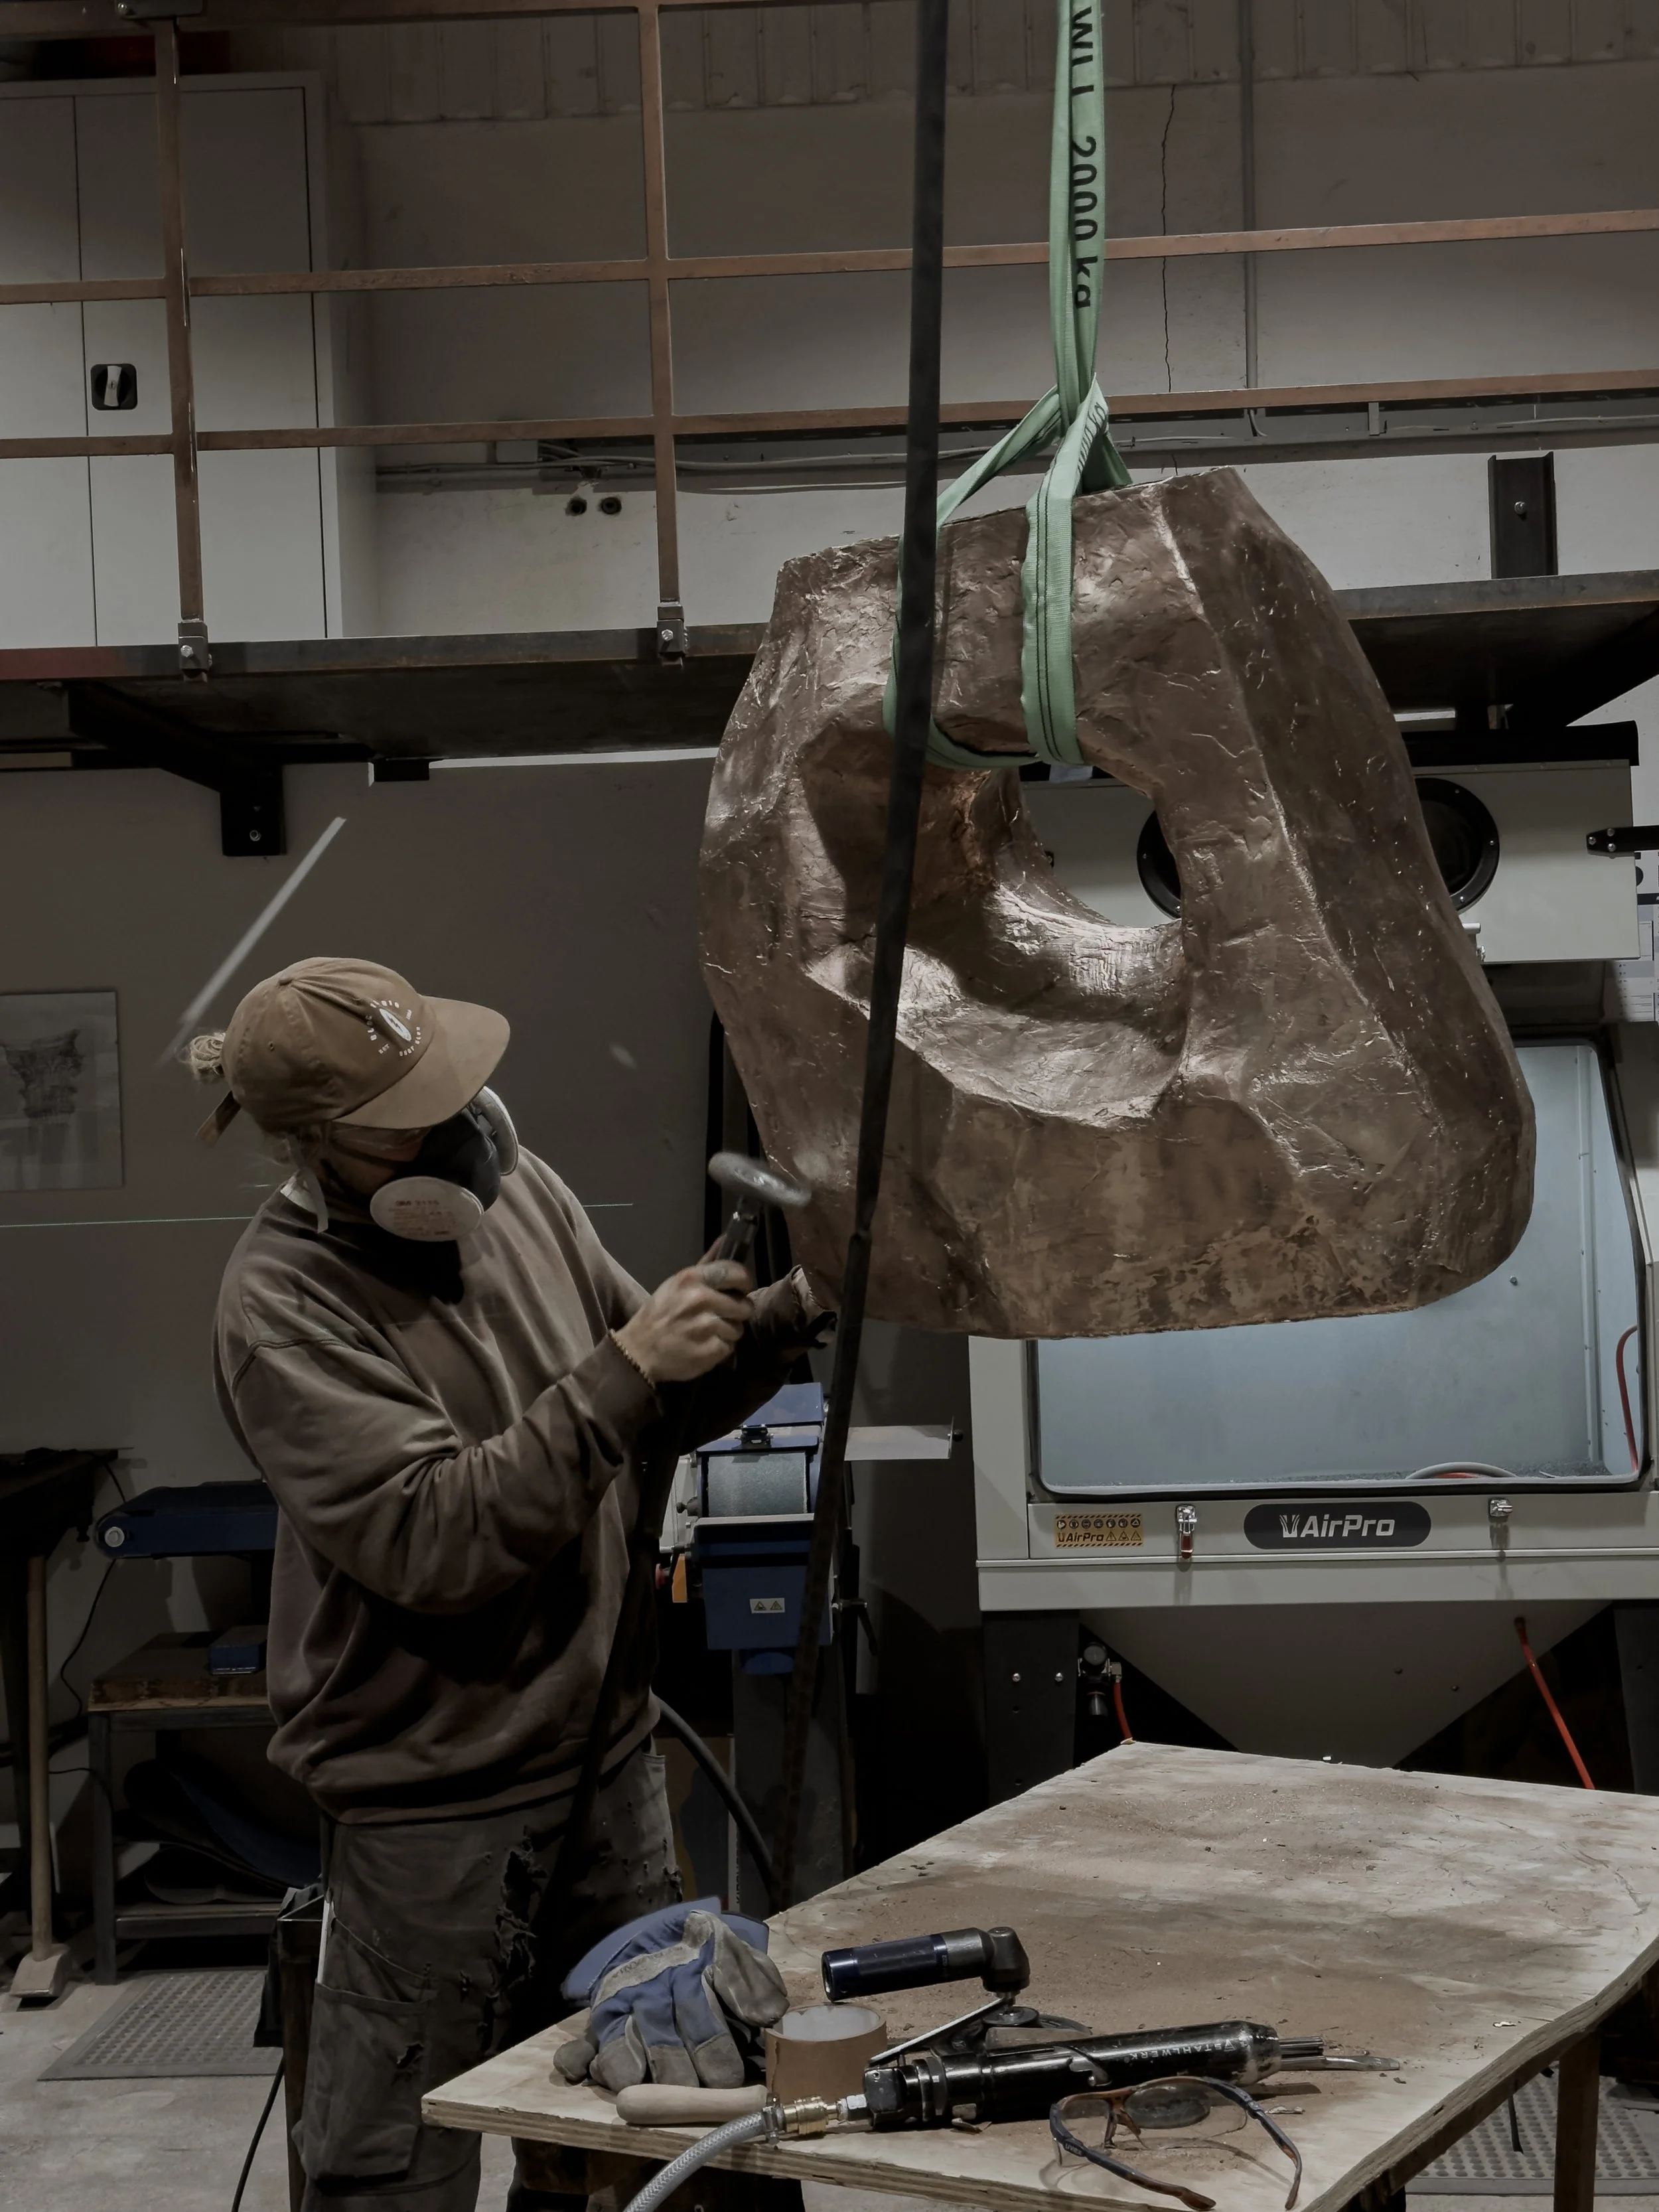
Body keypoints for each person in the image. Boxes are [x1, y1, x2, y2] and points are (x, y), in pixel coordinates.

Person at [193, 957, 828, 2212]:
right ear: (319, 1147)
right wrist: (624, 1370)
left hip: (606, 1762)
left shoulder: (517, 1188)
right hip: (434, 1810)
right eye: (411, 1121)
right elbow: (437, 1541)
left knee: (642, 2130)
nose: (456, 1131)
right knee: (399, 2167)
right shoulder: (282, 1305)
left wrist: (788, 1306)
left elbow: (653, 1408)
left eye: (453, 1094)